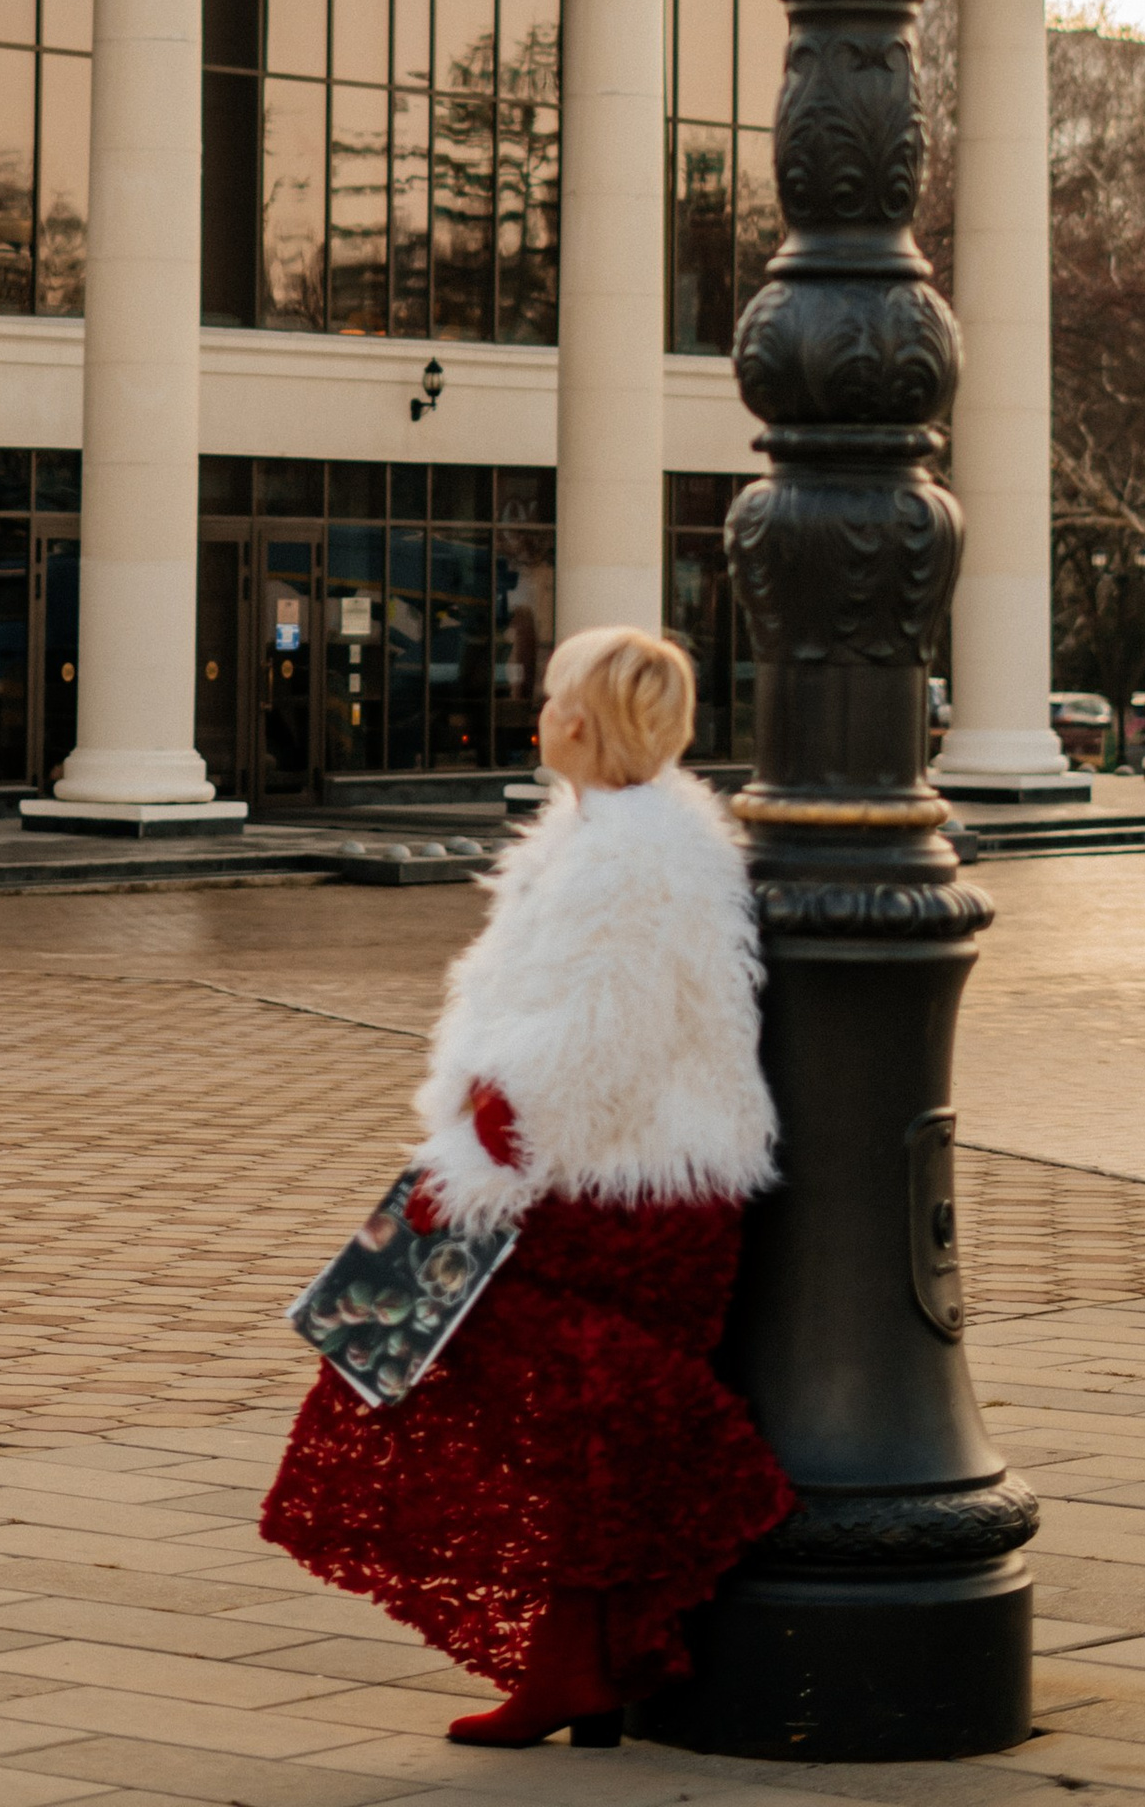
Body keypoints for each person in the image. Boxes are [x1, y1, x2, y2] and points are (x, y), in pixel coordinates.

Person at [261, 622, 790, 1746]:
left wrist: (500, 1121)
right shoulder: (593, 832)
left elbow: (610, 1026)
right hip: (576, 1162)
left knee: (480, 1363)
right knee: (504, 1390)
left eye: (551, 694)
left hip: (622, 1180)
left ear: (582, 721)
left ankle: (591, 1642)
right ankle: (574, 1666)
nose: (536, 709)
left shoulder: (634, 851)